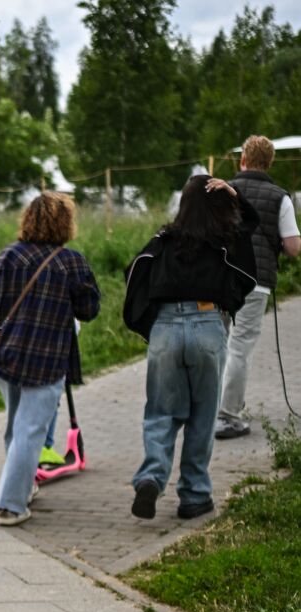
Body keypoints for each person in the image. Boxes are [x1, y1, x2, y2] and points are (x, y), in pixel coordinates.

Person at [124, 176, 258, 521]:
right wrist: (236, 196)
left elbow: (134, 275)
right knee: (202, 416)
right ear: (220, 206)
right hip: (207, 324)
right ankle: (194, 495)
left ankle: (152, 476)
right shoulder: (224, 243)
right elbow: (250, 239)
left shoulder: (162, 242)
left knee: (161, 412)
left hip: (165, 330)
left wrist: (149, 325)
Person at [0, 192, 101, 526]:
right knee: (30, 432)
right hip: (47, 360)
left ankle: (24, 484)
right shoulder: (71, 263)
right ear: (66, 223)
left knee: (16, 428)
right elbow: (89, 310)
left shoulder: (8, 256)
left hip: (6, 357)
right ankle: (11, 504)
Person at [217, 136, 301, 440]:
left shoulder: (221, 190)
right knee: (240, 346)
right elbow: (293, 247)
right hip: (257, 282)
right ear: (270, 163)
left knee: (218, 342)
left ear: (242, 160)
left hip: (220, 279)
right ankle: (228, 415)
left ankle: (212, 408)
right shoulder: (281, 197)